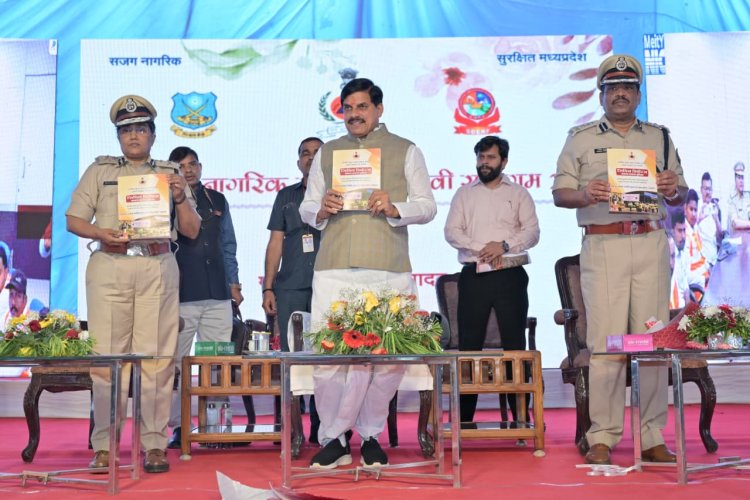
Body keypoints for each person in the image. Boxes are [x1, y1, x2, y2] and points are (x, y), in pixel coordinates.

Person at [552, 54, 687, 465]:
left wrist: (672, 188)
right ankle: (603, 436)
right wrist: (585, 194)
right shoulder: (580, 138)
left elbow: (680, 192)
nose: (621, 94)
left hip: (650, 243)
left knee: (652, 340)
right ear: (602, 95)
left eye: (628, 87)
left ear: (638, 94)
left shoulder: (660, 137)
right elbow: (560, 194)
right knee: (607, 341)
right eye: (613, 88)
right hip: (605, 244)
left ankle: (652, 436)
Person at [299, 78, 436, 468]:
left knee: (386, 358)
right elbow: (307, 207)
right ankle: (335, 438)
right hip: (334, 268)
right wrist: (321, 209)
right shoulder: (329, 152)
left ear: (379, 109)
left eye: (362, 107)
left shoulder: (406, 150)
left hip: (387, 268)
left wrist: (396, 208)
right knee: (330, 359)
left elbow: (427, 206)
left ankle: (372, 433)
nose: (354, 115)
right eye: (348, 108)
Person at [66, 95, 200, 473]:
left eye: (141, 129)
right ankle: (105, 446)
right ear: (118, 137)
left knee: (158, 359)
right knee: (107, 361)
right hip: (110, 266)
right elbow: (73, 220)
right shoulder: (100, 170)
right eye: (126, 131)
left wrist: (180, 198)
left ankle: (154, 443)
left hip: (157, 266)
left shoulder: (170, 173)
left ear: (153, 135)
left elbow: (191, 230)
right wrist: (100, 232)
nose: (134, 136)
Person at [444, 135, 540, 424]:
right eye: (481, 157)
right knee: (469, 347)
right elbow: (452, 232)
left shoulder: (519, 193)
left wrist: (503, 246)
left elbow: (532, 232)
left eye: (490, 158)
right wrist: (483, 249)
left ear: (504, 161)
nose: (484, 163)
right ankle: (464, 421)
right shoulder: (464, 194)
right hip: (474, 275)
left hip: (510, 275)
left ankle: (520, 418)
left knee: (514, 346)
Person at [166, 146, 243, 450]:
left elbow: (228, 245)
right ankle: (179, 427)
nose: (188, 170)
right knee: (178, 365)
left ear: (200, 166)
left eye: (192, 164)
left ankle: (216, 425)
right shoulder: (165, 201)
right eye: (181, 166)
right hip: (181, 294)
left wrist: (233, 282)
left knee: (218, 363)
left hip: (217, 293)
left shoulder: (217, 199)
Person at [262, 136, 323, 443]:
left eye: (317, 153)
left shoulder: (339, 194)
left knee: (328, 358)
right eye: (305, 153)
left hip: (328, 286)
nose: (311, 158)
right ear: (298, 161)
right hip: (291, 287)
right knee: (294, 359)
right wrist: (268, 287)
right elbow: (275, 242)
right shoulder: (286, 196)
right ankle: (294, 428)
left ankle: (325, 428)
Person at [684, 188, 710, 291]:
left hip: (706, 280)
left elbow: (701, 256)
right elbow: (685, 276)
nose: (694, 214)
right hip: (698, 290)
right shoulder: (684, 235)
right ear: (685, 209)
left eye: (695, 210)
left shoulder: (695, 228)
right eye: (691, 209)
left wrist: (709, 269)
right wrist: (704, 279)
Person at [696, 172, 721, 266]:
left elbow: (719, 240)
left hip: (715, 261)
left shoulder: (714, 208)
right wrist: (699, 219)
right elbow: (688, 232)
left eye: (709, 189)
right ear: (701, 190)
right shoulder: (695, 207)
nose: (708, 192)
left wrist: (717, 220)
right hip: (701, 263)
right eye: (705, 189)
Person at [727, 161, 750, 233]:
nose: (741, 181)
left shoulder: (748, 196)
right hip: (737, 237)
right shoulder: (731, 199)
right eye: (739, 178)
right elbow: (735, 223)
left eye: (742, 178)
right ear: (735, 180)